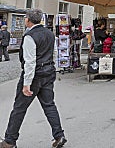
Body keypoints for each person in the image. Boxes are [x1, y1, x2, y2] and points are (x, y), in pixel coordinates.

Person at [0, 9, 67, 148]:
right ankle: (59, 135)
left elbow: (30, 61)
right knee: (49, 105)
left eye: (25, 18)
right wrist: (52, 68)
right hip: (48, 72)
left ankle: (10, 141)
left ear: (28, 20)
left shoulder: (30, 36)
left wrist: (26, 83)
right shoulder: (49, 33)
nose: (25, 20)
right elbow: (54, 53)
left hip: (35, 74)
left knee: (19, 108)